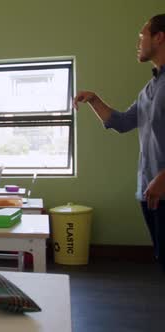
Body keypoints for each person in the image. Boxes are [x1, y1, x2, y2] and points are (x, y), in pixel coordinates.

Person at [73, 14, 165, 271]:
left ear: (159, 37)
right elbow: (123, 122)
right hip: (150, 191)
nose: (138, 43)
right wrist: (94, 100)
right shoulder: (149, 89)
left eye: (141, 37)